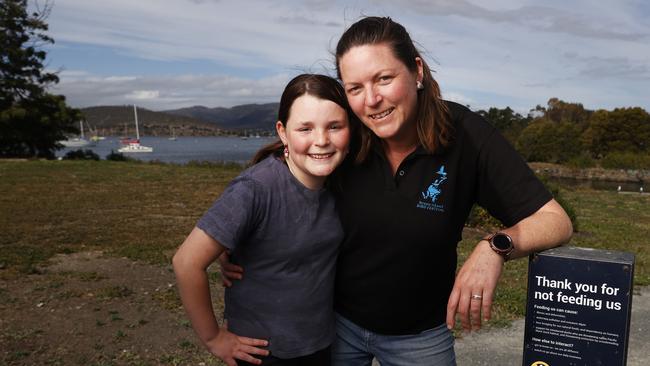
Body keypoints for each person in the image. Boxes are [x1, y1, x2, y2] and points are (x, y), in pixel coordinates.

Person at [221, 16, 573, 366]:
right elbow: (282, 180)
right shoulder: (344, 134)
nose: (371, 100)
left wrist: (494, 248)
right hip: (335, 324)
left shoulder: (466, 135)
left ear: (417, 71)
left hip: (421, 336)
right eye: (355, 88)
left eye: (384, 79)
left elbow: (556, 221)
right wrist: (244, 245)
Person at [173, 74, 357, 366]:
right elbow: (186, 262)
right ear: (283, 132)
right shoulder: (256, 188)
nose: (321, 140)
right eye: (305, 128)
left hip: (320, 345)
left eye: (334, 126)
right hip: (263, 353)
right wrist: (213, 338)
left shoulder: (339, 184)